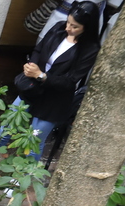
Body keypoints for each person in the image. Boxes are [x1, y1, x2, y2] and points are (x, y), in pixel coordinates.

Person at [14, 2, 102, 157]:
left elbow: (70, 81)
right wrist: (31, 66)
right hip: (32, 88)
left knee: (34, 141)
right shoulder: (58, 28)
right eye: (68, 22)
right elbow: (38, 49)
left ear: (87, 27)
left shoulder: (90, 49)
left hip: (54, 100)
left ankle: (22, 179)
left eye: (75, 26)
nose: (68, 28)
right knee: (6, 128)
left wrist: (41, 75)